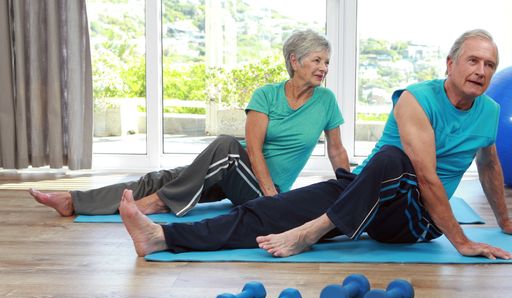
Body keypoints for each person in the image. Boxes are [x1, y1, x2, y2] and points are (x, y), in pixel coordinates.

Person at [120, 29, 512, 260]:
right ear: (451, 63)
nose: (481, 70)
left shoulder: (489, 112)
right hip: (370, 193)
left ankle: (313, 231)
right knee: (266, 211)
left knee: (390, 158)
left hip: (415, 223)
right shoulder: (417, 99)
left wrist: (498, 224)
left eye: (490, 64)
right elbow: (417, 170)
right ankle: (162, 238)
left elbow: (486, 166)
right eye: (473, 60)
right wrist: (465, 240)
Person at [29, 29, 349, 217]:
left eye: (327, 62)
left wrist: (348, 187)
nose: (324, 68)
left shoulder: (326, 102)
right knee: (163, 176)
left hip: (266, 189)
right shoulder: (267, 95)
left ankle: (153, 205)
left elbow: (336, 151)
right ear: (295, 61)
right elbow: (253, 148)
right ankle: (74, 201)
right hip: (240, 176)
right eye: (317, 60)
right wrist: (267, 192)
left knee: (225, 144)